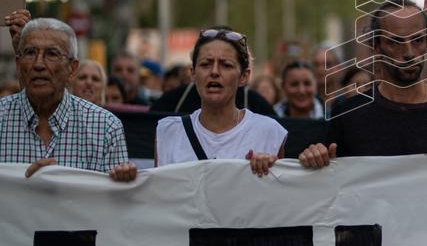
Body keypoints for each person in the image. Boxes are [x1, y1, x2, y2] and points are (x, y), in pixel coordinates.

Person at [297, 0, 427, 166]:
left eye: (417, 40)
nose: (409, 53)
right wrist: (315, 160)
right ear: (376, 47)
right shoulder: (347, 116)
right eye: (395, 42)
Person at [0, 17, 136, 181]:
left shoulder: (105, 128)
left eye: (52, 54)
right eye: (30, 53)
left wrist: (123, 181)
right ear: (18, 64)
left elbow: (113, 202)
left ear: (72, 69)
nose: (38, 64)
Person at [155, 27, 287, 175]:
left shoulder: (269, 131)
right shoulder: (169, 131)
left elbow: (279, 193)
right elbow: (159, 193)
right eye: (205, 64)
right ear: (193, 73)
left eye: (226, 65)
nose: (214, 72)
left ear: (244, 76)